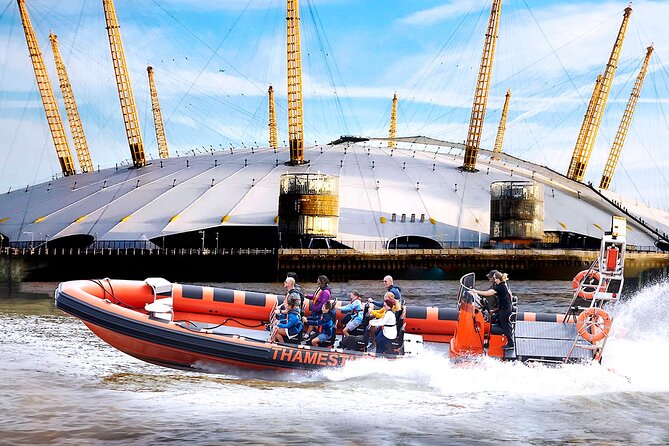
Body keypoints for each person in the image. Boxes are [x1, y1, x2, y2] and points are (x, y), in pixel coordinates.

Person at [472, 271, 514, 349]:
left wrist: (476, 291)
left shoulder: (500, 286)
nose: (493, 279)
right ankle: (490, 342)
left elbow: (489, 293)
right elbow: (488, 291)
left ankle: (510, 343)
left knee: (504, 325)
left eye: (494, 278)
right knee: (494, 319)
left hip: (505, 309)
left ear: (498, 279)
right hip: (502, 308)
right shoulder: (499, 285)